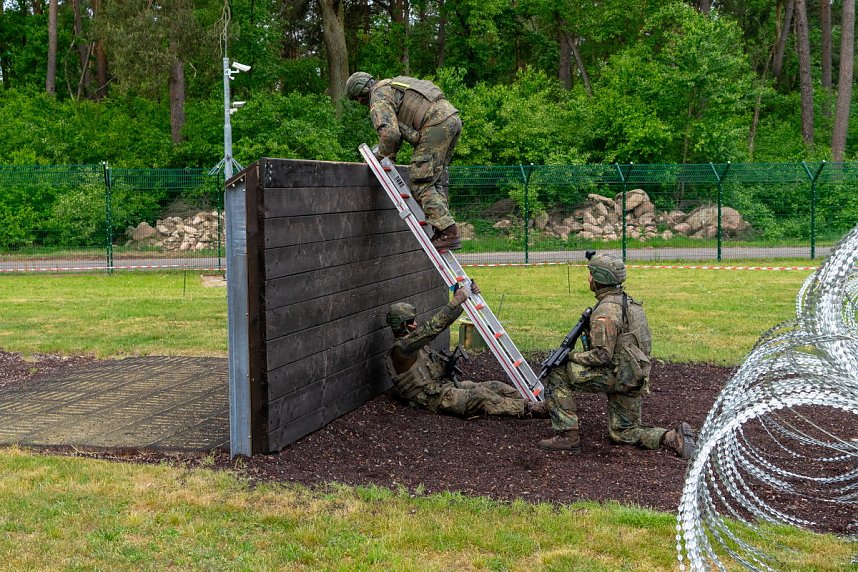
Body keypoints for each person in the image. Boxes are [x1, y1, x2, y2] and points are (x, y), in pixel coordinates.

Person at [538, 252, 697, 458]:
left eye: (591, 274)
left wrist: (570, 357)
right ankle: (670, 437)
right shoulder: (628, 302)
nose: (589, 278)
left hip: (617, 374)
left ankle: (566, 436)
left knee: (557, 372)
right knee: (623, 432)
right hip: (634, 374)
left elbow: (601, 356)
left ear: (599, 279)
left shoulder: (605, 312)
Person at [385, 282, 548, 418]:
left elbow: (440, 324)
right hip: (434, 399)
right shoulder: (401, 349)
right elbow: (432, 328)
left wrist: (465, 298)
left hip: (443, 388)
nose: (415, 324)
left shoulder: (413, 343)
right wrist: (456, 301)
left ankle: (535, 402)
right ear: (402, 325)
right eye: (411, 321)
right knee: (481, 397)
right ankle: (530, 410)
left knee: (494, 386)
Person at [346, 71, 463, 251]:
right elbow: (400, 132)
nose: (360, 103)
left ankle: (448, 232)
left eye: (357, 99)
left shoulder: (378, 96)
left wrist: (381, 157)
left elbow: (389, 134)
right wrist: (390, 155)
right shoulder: (393, 86)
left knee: (421, 182)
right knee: (434, 180)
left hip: (435, 123)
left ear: (360, 93)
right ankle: (442, 230)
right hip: (451, 118)